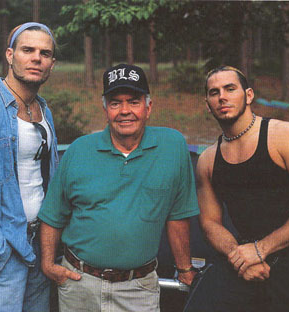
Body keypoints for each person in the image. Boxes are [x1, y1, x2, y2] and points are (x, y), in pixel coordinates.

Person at [38, 63, 199, 312]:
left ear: (148, 107)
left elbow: (177, 215)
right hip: (79, 285)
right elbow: (52, 215)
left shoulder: (172, 147)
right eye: (115, 103)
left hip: (138, 288)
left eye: (133, 101)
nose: (125, 111)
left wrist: (186, 269)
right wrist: (48, 265)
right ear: (105, 110)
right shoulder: (79, 150)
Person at [187, 66, 289, 312]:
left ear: (248, 95)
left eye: (230, 89)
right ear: (207, 103)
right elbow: (210, 224)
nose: (221, 97)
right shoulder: (208, 160)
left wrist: (261, 249)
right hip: (244, 261)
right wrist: (240, 256)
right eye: (214, 92)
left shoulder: (285, 136)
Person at [0, 22, 58, 311]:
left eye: (45, 53)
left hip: (39, 248)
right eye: (27, 50)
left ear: (51, 64)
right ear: (10, 55)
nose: (36, 58)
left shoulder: (44, 110)